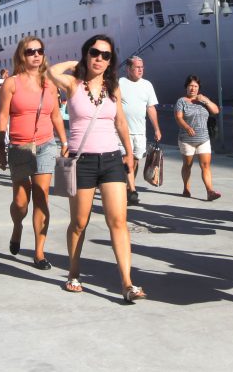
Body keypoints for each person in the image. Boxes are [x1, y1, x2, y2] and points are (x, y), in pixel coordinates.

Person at [47, 34, 146, 303]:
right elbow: (50, 70)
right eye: (94, 53)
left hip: (112, 159)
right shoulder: (72, 84)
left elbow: (122, 123)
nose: (99, 59)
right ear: (86, 54)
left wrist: (129, 153)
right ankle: (73, 272)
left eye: (106, 55)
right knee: (79, 222)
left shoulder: (113, 88)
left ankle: (127, 282)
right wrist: (75, 62)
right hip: (83, 161)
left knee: (118, 221)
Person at [0, 36, 68, 269]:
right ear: (21, 56)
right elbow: (3, 116)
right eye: (30, 52)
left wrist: (64, 141)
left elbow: (56, 114)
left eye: (39, 51)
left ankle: (39, 251)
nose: (36, 55)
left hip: (46, 144)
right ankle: (17, 226)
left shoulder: (50, 83)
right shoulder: (11, 83)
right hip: (20, 146)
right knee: (20, 202)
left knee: (41, 195)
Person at [117, 55, 162, 205]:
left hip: (140, 131)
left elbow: (150, 108)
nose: (141, 70)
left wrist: (156, 129)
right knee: (126, 159)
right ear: (128, 69)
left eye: (142, 67)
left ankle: (128, 186)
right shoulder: (120, 83)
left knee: (135, 160)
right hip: (123, 131)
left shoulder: (147, 85)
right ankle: (131, 189)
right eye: (137, 67)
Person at [174, 76, 221, 200]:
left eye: (195, 86)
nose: (193, 88)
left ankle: (210, 191)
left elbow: (216, 111)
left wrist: (206, 100)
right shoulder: (181, 101)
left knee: (205, 166)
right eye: (190, 86)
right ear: (186, 87)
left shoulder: (203, 100)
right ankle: (186, 187)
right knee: (187, 165)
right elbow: (178, 117)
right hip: (186, 139)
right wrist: (187, 127)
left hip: (203, 139)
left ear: (198, 88)